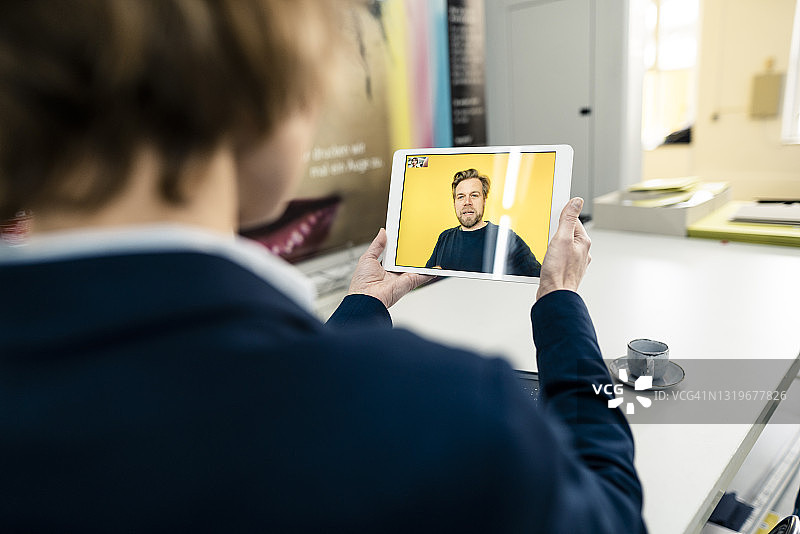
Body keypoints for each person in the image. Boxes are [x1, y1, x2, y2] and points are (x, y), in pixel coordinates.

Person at [0, 1, 646, 532]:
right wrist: (560, 303)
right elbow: (610, 513)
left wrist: (364, 304)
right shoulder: (448, 409)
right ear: (260, 100)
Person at [425, 168, 542, 276]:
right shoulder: (444, 238)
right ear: (454, 203)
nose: (467, 202)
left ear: (484, 200)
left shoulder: (505, 238)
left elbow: (540, 279)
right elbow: (426, 280)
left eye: (474, 195)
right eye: (461, 197)